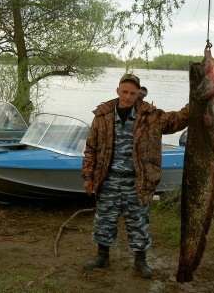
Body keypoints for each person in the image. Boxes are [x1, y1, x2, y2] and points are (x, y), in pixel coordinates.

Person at [81, 73, 189, 278]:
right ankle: (102, 256)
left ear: (138, 94)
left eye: (133, 93)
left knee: (139, 221)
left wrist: (196, 103)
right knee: (104, 220)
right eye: (125, 92)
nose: (128, 96)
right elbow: (91, 148)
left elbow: (176, 121)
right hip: (108, 178)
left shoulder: (150, 116)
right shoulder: (102, 115)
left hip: (138, 180)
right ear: (117, 90)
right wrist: (88, 177)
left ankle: (141, 261)